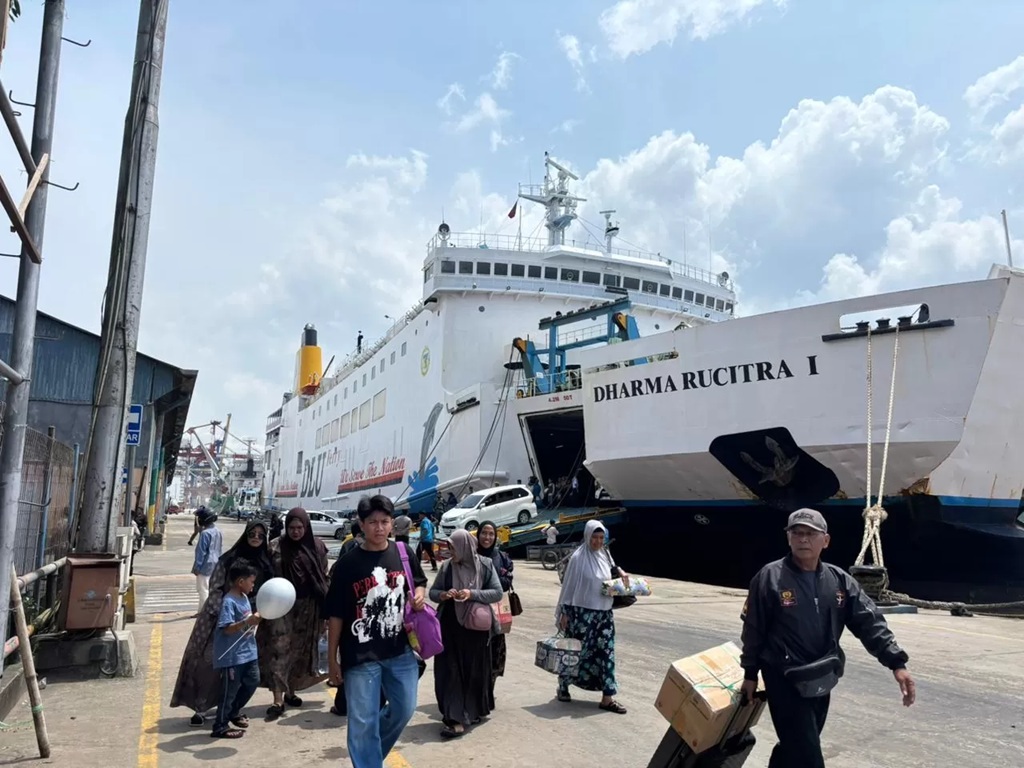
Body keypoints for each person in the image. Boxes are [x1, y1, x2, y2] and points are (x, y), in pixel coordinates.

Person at [739, 508, 917, 768]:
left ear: (826, 540)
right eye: (796, 533)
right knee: (808, 755)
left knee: (796, 746)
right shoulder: (769, 578)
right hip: (784, 678)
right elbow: (753, 629)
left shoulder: (839, 581)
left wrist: (897, 663)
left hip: (822, 675)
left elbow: (869, 623)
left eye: (811, 533)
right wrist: (750, 673)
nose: (803, 539)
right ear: (788, 538)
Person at [326, 494, 428, 768]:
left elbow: (419, 581)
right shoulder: (347, 564)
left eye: (384, 521)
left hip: (400, 651)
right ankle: (368, 761)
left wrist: (419, 594)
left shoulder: (403, 553)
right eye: (372, 522)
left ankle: (367, 755)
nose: (379, 528)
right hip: (360, 655)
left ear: (392, 523)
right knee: (363, 721)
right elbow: (335, 615)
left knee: (404, 708)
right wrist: (332, 659)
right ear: (361, 525)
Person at [171, 519, 274, 727]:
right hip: (219, 619)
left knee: (242, 673)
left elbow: (267, 592)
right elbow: (216, 587)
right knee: (208, 666)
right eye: (252, 533)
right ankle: (200, 708)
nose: (256, 538)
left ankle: (231, 710)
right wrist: (226, 613)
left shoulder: (266, 563)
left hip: (250, 623)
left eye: (260, 535)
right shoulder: (229, 559)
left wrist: (256, 614)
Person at [430, 529, 503, 738]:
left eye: (453, 548)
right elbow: (433, 592)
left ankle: (472, 711)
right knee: (449, 671)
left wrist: (472, 594)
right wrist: (444, 594)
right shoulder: (447, 567)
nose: (451, 552)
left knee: (473, 671)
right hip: (450, 626)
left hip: (475, 628)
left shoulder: (485, 565)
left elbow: (497, 592)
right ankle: (454, 718)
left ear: (464, 547)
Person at [261, 507, 330, 720]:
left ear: (306, 527)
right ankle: (277, 699)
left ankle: (291, 692)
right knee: (279, 650)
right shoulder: (275, 547)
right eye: (292, 527)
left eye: (300, 527)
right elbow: (264, 574)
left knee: (300, 652)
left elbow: (323, 577)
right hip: (280, 607)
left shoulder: (317, 547)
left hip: (309, 608)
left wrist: (326, 611)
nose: (296, 531)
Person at [554, 519, 628, 714]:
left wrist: (620, 572)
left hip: (604, 614)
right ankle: (563, 686)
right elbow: (568, 587)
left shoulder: (605, 555)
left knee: (607, 653)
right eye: (594, 537)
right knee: (575, 652)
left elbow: (613, 572)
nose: (598, 542)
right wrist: (564, 612)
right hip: (581, 614)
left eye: (601, 538)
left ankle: (607, 697)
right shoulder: (578, 558)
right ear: (587, 536)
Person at [210, 561, 262, 739]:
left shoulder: (244, 597)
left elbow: (245, 624)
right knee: (229, 691)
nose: (253, 585)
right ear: (241, 581)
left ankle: (233, 711)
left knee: (253, 681)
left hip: (248, 652)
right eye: (251, 581)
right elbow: (227, 628)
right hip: (232, 656)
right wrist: (247, 621)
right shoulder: (229, 602)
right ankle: (220, 726)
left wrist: (254, 620)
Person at [476, 521, 513, 708]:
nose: (487, 537)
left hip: (496, 613)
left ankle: (488, 691)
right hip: (475, 613)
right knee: (477, 653)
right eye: (484, 533)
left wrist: (492, 582)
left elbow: (507, 582)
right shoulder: (471, 555)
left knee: (494, 654)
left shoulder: (502, 557)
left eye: (491, 534)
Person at [192, 509, 223, 616]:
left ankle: (203, 612)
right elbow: (220, 549)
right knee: (210, 588)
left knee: (203, 590)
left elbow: (201, 552)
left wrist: (197, 567)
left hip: (205, 565)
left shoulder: (205, 533)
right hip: (215, 563)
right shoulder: (218, 532)